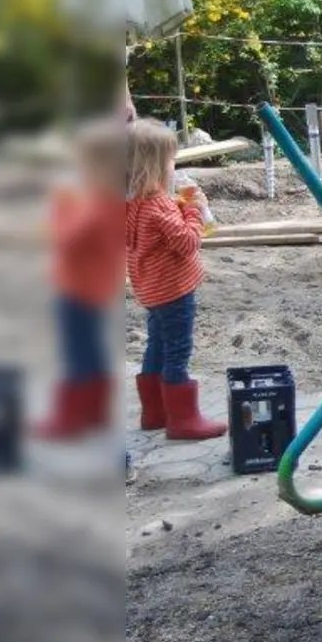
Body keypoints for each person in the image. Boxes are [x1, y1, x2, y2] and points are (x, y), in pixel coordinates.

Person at [126, 119, 227, 441]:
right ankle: (182, 419)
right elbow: (186, 244)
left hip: (150, 290)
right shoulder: (158, 206)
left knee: (156, 345)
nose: (174, 166)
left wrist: (177, 208)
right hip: (174, 291)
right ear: (156, 165)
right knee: (177, 351)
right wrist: (194, 210)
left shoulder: (130, 204)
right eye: (172, 160)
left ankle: (154, 413)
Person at [32, 120, 126, 440]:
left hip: (77, 290)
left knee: (76, 354)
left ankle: (71, 418)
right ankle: (96, 413)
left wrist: (61, 208)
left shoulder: (96, 203)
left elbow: (67, 241)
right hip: (97, 288)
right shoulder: (109, 199)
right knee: (93, 352)